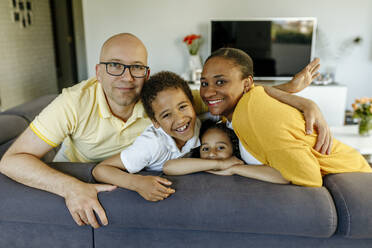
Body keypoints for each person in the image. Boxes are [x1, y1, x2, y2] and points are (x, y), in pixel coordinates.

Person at [0, 32, 326, 228]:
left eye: (136, 67)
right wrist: (71, 187)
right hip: (93, 178)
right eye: (115, 65)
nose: (127, 77)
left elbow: (228, 95)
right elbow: (11, 160)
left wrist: (298, 97)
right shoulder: (72, 103)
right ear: (99, 71)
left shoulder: (164, 99)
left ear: (147, 71)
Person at [199, 47, 372, 187]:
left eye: (220, 81)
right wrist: (288, 88)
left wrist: (236, 168)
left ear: (246, 84)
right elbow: (182, 98)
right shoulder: (237, 108)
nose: (208, 92)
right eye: (204, 83)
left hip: (350, 178)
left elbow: (308, 177)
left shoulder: (255, 115)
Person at [93, 71, 251, 201]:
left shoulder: (201, 121)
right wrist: (137, 183)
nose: (180, 119)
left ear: (193, 104)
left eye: (183, 107)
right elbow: (100, 170)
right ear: (156, 122)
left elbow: (237, 102)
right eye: (167, 115)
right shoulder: (151, 144)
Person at [163, 119, 289, 184]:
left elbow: (284, 177)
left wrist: (234, 169)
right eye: (205, 148)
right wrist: (220, 165)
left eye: (221, 147)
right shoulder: (196, 164)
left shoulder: (242, 165)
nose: (212, 153)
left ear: (233, 148)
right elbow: (168, 167)